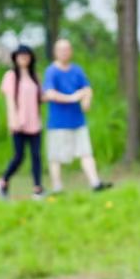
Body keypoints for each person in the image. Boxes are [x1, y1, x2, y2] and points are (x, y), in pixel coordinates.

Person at [42, 39, 110, 194]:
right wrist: (72, 97)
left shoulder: (77, 70)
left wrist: (86, 100)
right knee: (56, 156)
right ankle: (57, 187)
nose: (65, 52)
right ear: (56, 52)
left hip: (78, 121)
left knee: (86, 153)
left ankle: (95, 183)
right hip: (58, 123)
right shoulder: (51, 71)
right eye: (61, 50)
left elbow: (87, 89)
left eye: (67, 49)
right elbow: (50, 93)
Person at [0, 46, 45, 201]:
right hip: (19, 122)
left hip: (34, 122)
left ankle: (37, 188)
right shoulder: (11, 76)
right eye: (21, 56)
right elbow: (10, 100)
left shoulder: (35, 77)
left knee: (36, 155)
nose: (24, 58)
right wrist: (13, 120)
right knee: (19, 156)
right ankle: (4, 181)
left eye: (26, 56)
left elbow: (41, 97)